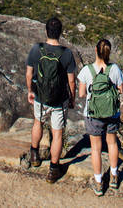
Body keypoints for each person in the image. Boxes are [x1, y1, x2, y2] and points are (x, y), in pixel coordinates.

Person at [25, 16, 76, 183]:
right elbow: (71, 81)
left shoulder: (36, 49)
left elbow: (29, 74)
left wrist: (30, 91)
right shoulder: (67, 54)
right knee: (57, 133)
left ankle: (34, 154)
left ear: (46, 31)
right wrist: (72, 98)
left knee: (37, 123)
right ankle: (54, 169)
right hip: (59, 100)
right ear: (60, 33)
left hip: (40, 96)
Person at [77, 38, 123, 196]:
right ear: (109, 53)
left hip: (93, 114)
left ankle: (98, 183)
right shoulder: (115, 69)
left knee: (96, 148)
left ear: (96, 51)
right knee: (112, 143)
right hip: (112, 113)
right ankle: (114, 176)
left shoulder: (86, 70)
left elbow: (82, 93)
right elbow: (120, 89)